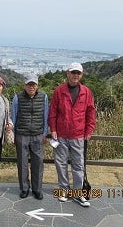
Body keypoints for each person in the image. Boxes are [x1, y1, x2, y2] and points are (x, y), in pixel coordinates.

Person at [48, 62, 96, 207]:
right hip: (61, 135)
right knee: (60, 163)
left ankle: (77, 194)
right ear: (67, 73)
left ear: (81, 75)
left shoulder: (86, 92)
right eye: (73, 72)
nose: (75, 75)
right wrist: (53, 129)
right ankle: (63, 190)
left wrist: (89, 130)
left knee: (78, 165)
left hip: (78, 134)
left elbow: (91, 112)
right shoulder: (59, 91)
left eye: (78, 73)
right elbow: (53, 112)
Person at [11, 73, 49, 200]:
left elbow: (46, 116)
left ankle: (37, 189)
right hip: (22, 134)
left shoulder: (43, 97)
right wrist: (13, 135)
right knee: (22, 163)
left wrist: (44, 133)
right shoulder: (17, 97)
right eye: (29, 84)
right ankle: (24, 189)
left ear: (37, 85)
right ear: (25, 85)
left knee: (38, 163)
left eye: (33, 84)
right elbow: (13, 117)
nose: (31, 87)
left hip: (37, 135)